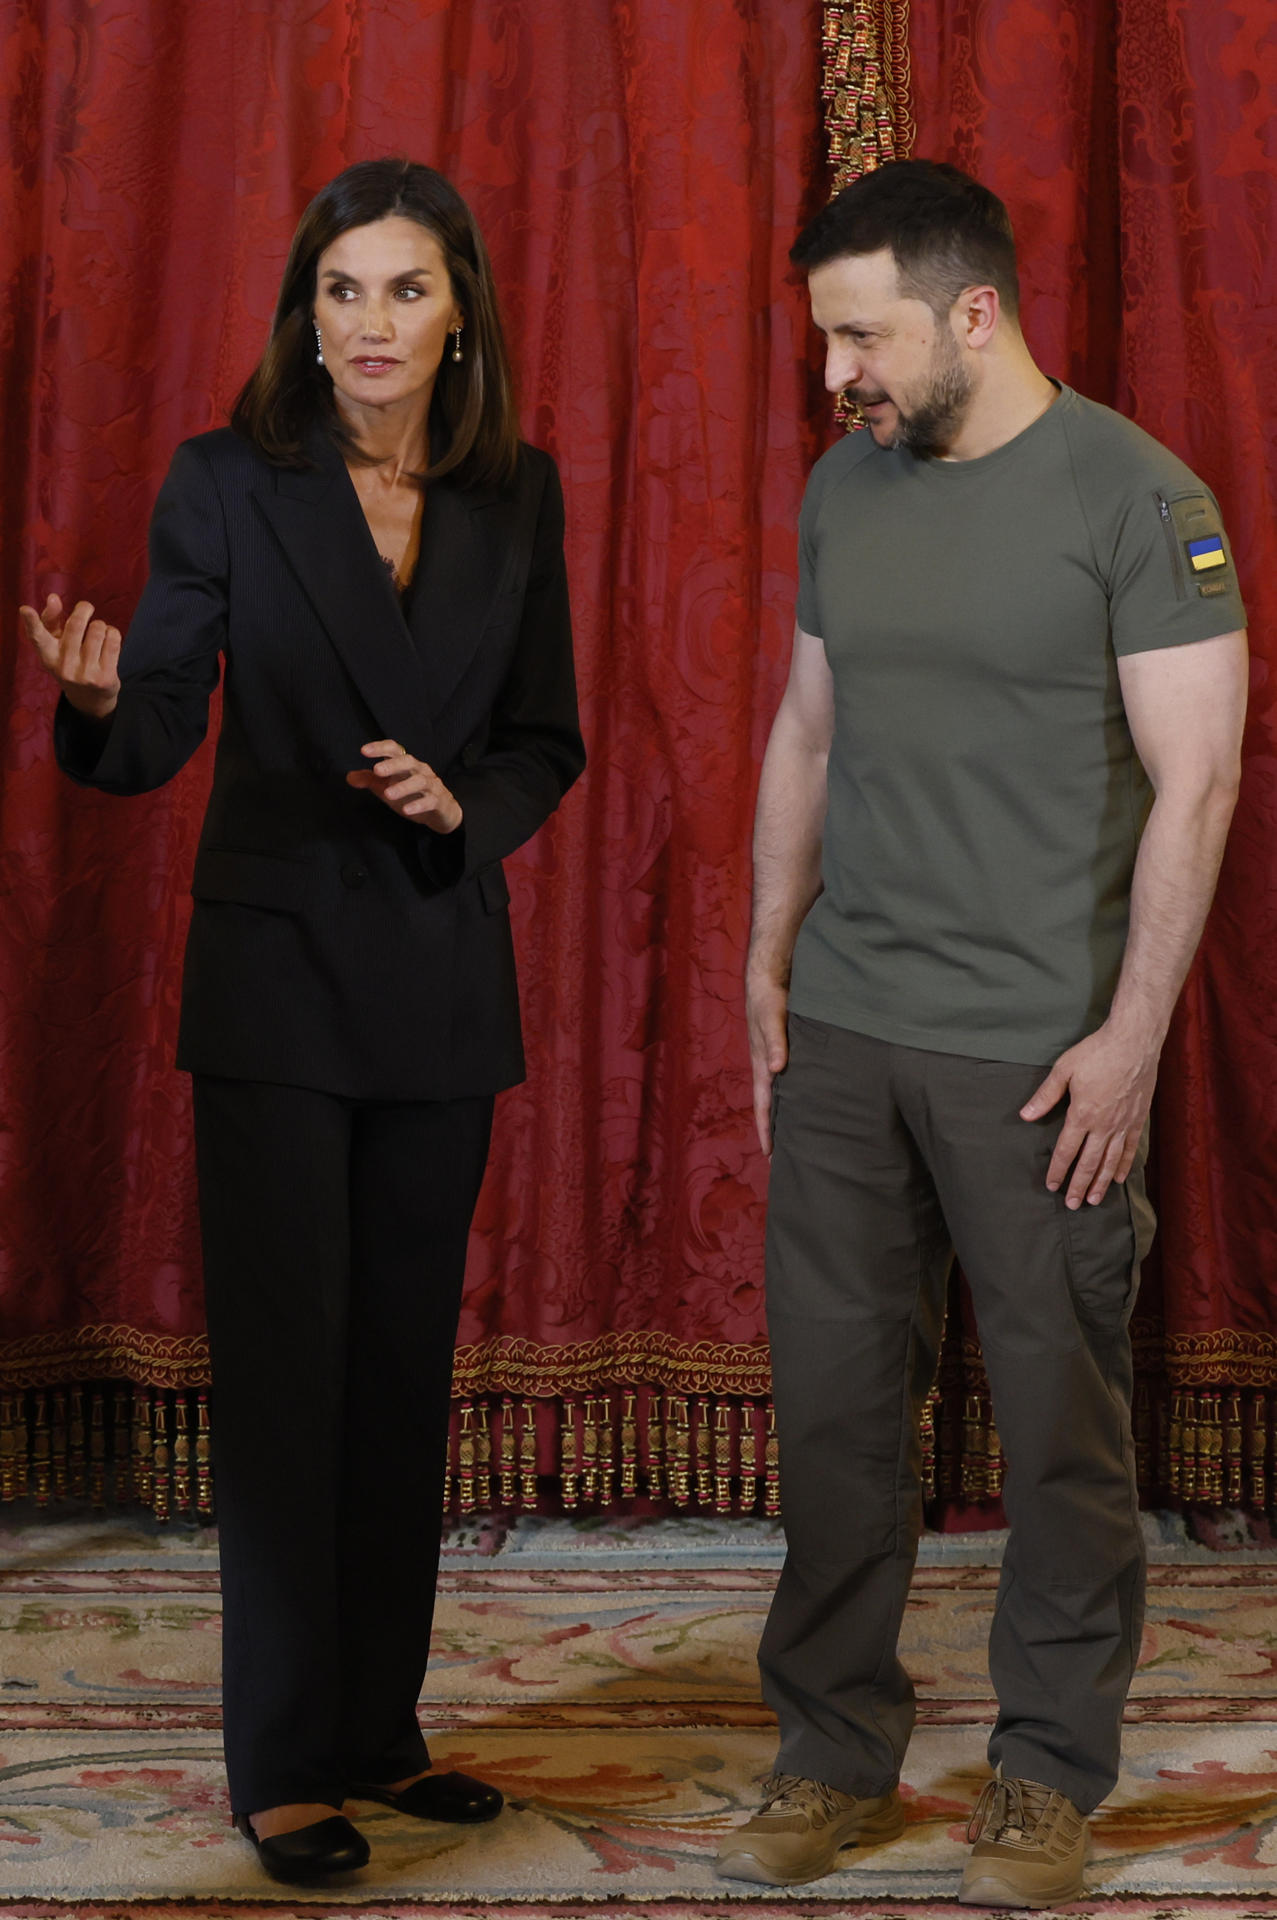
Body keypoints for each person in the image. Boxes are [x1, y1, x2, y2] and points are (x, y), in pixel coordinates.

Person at [21, 157, 584, 1886]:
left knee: (400, 1379)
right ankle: (277, 1765)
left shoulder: (518, 495)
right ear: (305, 311)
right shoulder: (225, 484)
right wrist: (108, 705)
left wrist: (461, 807)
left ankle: (372, 1736)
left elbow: (544, 738)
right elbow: (166, 717)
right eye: (343, 291)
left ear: (461, 311)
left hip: (437, 978)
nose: (370, 324)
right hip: (273, 990)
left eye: (405, 289)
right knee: (287, 1383)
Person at [719, 160, 1247, 1908]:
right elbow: (805, 733)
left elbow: (1198, 781)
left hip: (1038, 1057)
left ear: (971, 312)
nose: (835, 376)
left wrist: (1130, 1041)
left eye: (859, 335)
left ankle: (1043, 1774)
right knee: (837, 1413)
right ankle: (827, 1748)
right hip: (850, 1037)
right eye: (823, 340)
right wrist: (762, 958)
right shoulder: (841, 489)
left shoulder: (1137, 495)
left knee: (1060, 1422)